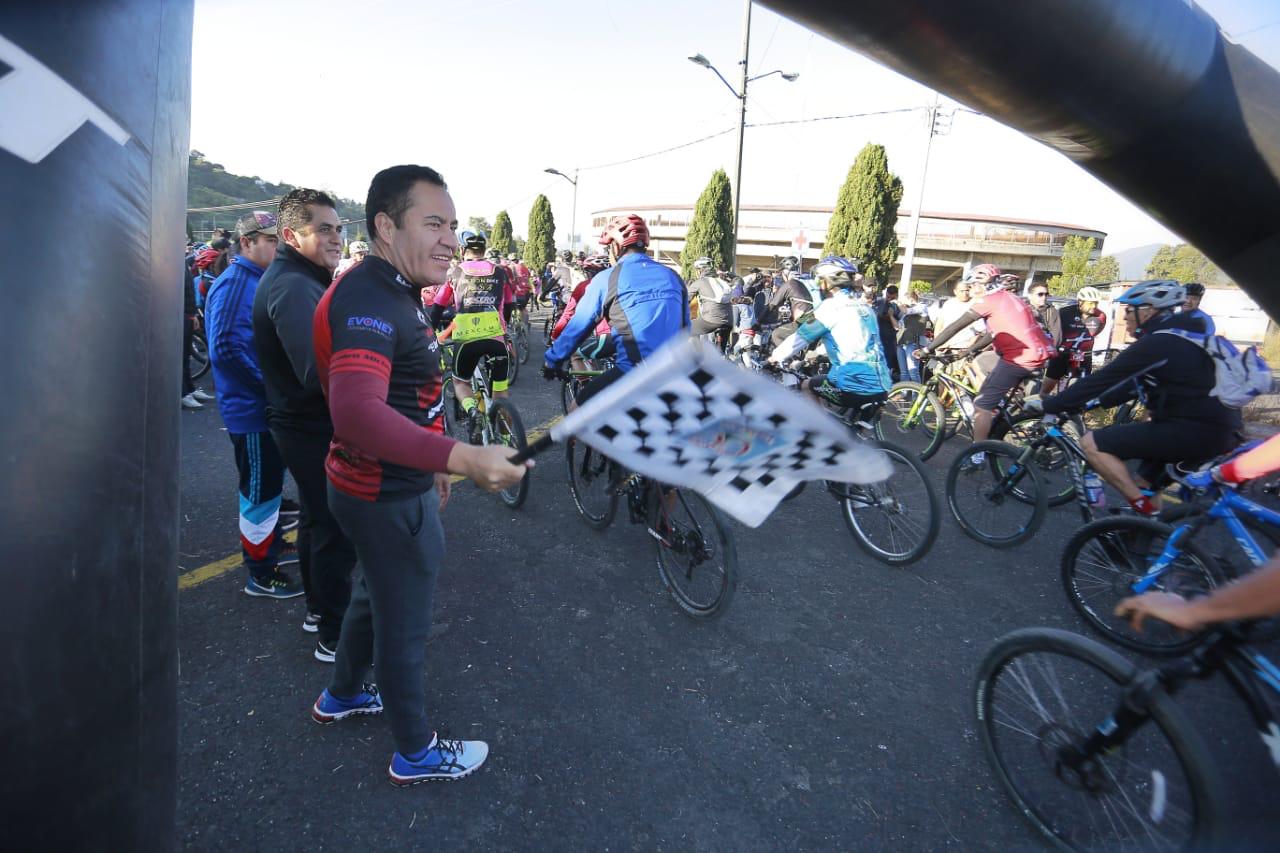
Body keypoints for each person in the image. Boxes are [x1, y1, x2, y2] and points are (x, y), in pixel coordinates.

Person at [310, 164, 527, 785]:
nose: (451, 240)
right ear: (385, 226)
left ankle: (344, 693)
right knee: (403, 628)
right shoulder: (370, 296)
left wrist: (433, 448)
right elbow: (354, 411)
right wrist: (461, 459)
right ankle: (416, 752)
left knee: (370, 596)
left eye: (454, 225)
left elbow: (404, 391)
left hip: (369, 486)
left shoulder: (386, 288)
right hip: (384, 495)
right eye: (433, 223)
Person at [1028, 279, 1241, 515]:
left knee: (1091, 444)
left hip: (1193, 430)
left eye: (1129, 310)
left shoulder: (1159, 342)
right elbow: (1130, 385)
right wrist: (1093, 403)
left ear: (1148, 311)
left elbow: (1102, 379)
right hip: (1219, 429)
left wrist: (1050, 404)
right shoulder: (1181, 338)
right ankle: (1144, 533)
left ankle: (1145, 511)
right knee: (1145, 484)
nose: (1125, 317)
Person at [253, 188, 358, 660]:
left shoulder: (302, 277)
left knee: (320, 519)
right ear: (293, 235)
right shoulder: (294, 285)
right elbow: (320, 371)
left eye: (339, 228)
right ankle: (335, 636)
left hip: (302, 422)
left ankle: (319, 612)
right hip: (307, 425)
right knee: (335, 525)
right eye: (325, 229)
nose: (336, 237)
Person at [205, 211, 302, 599]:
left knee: (270, 485)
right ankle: (261, 572)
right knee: (259, 491)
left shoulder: (255, 279)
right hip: (251, 409)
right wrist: (270, 388)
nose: (278, 248)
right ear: (247, 243)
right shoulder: (234, 284)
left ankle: (272, 544)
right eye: (270, 240)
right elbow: (225, 347)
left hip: (261, 405)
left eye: (280, 240)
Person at [541, 214, 688, 406]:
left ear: (616, 246)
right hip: (676, 373)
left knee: (574, 417)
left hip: (634, 372)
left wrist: (552, 361)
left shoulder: (607, 278)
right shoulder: (673, 276)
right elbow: (685, 328)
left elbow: (577, 327)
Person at [916, 263, 1055, 456]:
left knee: (981, 406)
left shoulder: (988, 301)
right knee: (981, 364)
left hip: (1020, 358)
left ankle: (977, 454)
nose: (971, 289)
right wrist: (968, 351)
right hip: (1037, 354)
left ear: (983, 285)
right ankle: (1001, 414)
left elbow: (953, 327)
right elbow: (992, 334)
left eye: (972, 285)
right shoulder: (1009, 297)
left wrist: (927, 348)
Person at [768, 256, 891, 408]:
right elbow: (846, 341)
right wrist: (814, 355)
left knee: (807, 386)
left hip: (853, 387)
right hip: (883, 385)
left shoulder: (831, 308)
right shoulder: (865, 308)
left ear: (829, 282)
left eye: (819, 280)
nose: (818, 285)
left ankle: (820, 429)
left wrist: (773, 359)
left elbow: (799, 339)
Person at [427, 230, 513, 429]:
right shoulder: (500, 271)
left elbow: (438, 306)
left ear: (463, 250)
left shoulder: (455, 272)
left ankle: (472, 410)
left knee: (461, 383)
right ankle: (507, 437)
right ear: (484, 249)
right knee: (501, 394)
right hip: (496, 338)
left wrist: (431, 331)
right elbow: (509, 303)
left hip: (466, 339)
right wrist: (504, 328)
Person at [1041, 286, 1106, 395]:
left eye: (1096, 303)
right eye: (1090, 303)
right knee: (1045, 390)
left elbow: (1095, 332)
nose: (1094, 306)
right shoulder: (1064, 313)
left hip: (1084, 357)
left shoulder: (1100, 316)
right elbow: (1053, 331)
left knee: (1078, 393)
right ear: (1080, 302)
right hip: (1062, 354)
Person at [688, 257, 734, 347]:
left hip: (710, 320)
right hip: (728, 321)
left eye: (697, 270)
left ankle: (696, 355)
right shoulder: (721, 281)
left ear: (701, 270)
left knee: (688, 328)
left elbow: (685, 299)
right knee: (720, 354)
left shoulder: (700, 282)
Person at [897, 289, 929, 383]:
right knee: (903, 372)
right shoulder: (905, 311)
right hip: (902, 343)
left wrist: (898, 303)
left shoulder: (922, 307)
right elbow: (899, 325)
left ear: (910, 298)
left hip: (914, 343)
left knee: (913, 372)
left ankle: (917, 394)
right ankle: (904, 392)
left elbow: (907, 311)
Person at [873, 284, 902, 380]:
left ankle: (887, 381)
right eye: (888, 295)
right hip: (878, 336)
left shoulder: (897, 305)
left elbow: (897, 323)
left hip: (890, 338)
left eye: (891, 296)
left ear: (896, 295)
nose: (889, 298)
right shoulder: (880, 302)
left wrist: (889, 315)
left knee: (888, 362)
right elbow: (879, 314)